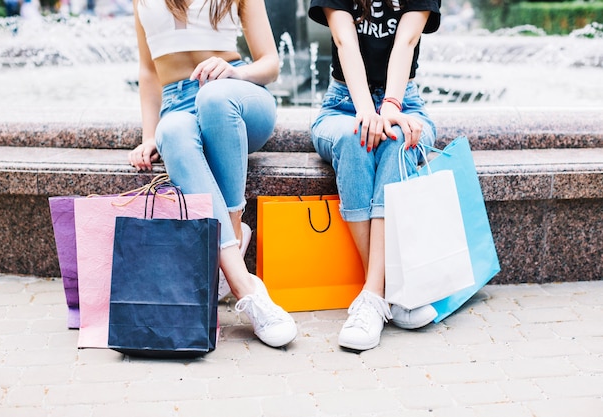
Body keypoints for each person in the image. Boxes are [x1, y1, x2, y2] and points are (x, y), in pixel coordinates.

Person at [127, 0, 297, 348]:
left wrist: (236, 72)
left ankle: (233, 227)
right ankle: (244, 285)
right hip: (178, 101)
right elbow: (148, 71)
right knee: (172, 133)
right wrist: (149, 136)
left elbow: (270, 65)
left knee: (215, 98)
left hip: (238, 95)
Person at [308, 0, 441, 351]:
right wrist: (368, 112)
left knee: (399, 143)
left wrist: (391, 107)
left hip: (405, 102)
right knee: (356, 138)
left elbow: (406, 42)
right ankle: (391, 288)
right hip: (344, 104)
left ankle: (371, 296)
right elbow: (344, 40)